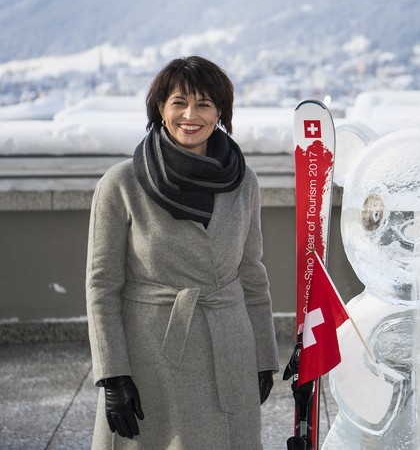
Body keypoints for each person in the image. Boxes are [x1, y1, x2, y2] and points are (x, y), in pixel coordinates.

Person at [86, 56, 279, 448]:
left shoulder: (244, 182)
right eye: (179, 102)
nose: (190, 115)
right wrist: (113, 375)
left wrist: (263, 356)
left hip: (229, 351)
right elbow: (102, 286)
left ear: (220, 113)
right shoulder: (122, 182)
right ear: (160, 108)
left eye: (204, 104)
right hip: (152, 358)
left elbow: (251, 273)